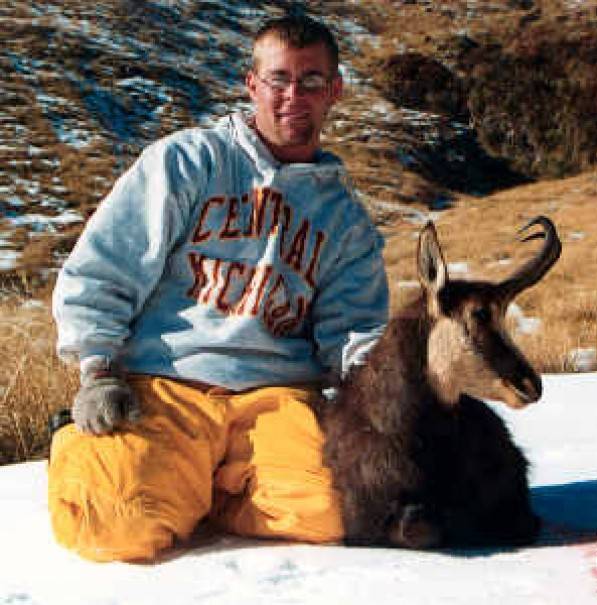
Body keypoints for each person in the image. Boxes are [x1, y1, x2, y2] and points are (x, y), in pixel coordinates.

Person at [49, 14, 389, 562]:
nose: (293, 96)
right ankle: (96, 451)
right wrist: (98, 371)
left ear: (335, 91)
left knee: (344, 508)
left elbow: (355, 333)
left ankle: (198, 488)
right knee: (112, 523)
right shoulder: (186, 162)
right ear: (252, 84)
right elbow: (104, 268)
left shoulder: (345, 220)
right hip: (166, 383)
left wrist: (387, 396)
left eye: (311, 80)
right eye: (278, 79)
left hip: (277, 398)